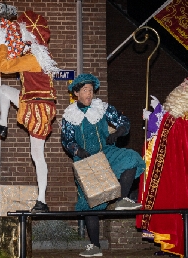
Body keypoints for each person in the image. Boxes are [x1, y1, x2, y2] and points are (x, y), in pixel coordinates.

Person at [61, 73, 146, 257]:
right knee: (89, 203)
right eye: (85, 90)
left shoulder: (102, 108)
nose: (89, 94)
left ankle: (122, 199)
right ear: (76, 93)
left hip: (106, 153)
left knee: (131, 157)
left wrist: (118, 132)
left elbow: (123, 121)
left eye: (91, 90)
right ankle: (95, 246)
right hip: (86, 160)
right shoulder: (69, 116)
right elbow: (66, 140)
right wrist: (77, 150)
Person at [0, 10, 60, 213]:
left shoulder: (34, 58)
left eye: (22, 32)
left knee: (37, 155)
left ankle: (42, 200)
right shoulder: (37, 54)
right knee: (3, 90)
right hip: (31, 101)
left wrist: (1, 42)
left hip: (38, 106)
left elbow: (4, 66)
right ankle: (2, 124)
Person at [136, 78, 188, 258]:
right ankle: (169, 246)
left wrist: (158, 115)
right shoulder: (175, 112)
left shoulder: (184, 115)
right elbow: (162, 132)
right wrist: (154, 116)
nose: (182, 84)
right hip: (168, 167)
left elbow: (179, 133)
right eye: (183, 82)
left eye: (186, 84)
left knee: (177, 204)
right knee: (165, 202)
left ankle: (178, 248)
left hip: (180, 170)